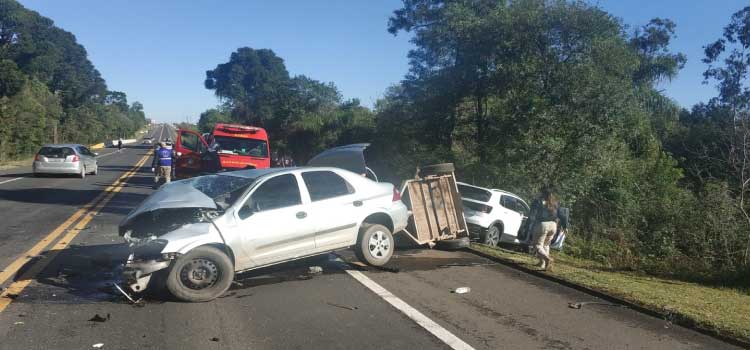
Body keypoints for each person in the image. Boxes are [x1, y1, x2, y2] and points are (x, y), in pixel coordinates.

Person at [529, 186, 559, 271]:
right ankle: (543, 264)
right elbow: (561, 214)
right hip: (553, 225)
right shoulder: (554, 202)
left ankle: (547, 259)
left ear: (542, 193)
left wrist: (529, 223)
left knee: (537, 245)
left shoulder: (538, 201)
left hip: (543, 224)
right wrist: (565, 226)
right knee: (545, 245)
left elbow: (532, 213)